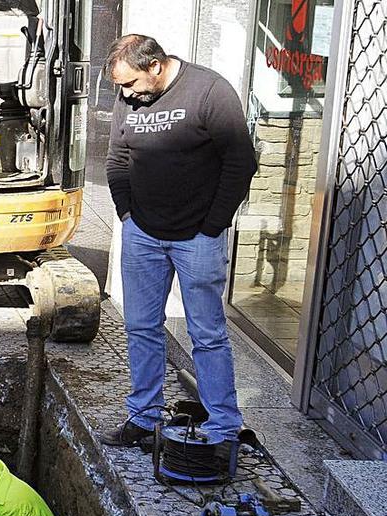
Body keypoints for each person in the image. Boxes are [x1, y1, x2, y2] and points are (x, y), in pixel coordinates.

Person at [100, 35, 257, 449]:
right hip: (142, 233)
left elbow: (241, 162)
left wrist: (213, 225)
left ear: (155, 66)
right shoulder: (128, 98)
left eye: (131, 84)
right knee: (140, 328)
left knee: (207, 334)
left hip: (197, 239)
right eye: (121, 87)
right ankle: (144, 417)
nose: (126, 94)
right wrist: (126, 213)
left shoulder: (209, 91)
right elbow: (117, 159)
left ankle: (223, 427)